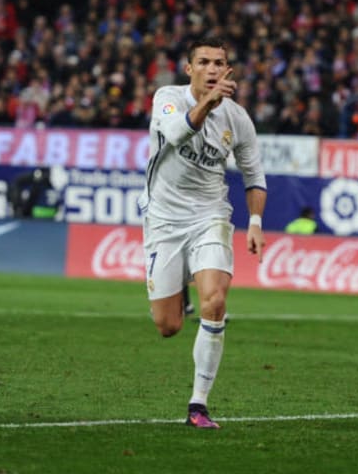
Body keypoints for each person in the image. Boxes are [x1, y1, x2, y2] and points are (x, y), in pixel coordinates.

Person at [138, 36, 267, 429]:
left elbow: (254, 175)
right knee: (168, 326)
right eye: (205, 62)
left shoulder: (238, 118)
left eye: (220, 63)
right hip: (162, 219)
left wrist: (256, 222)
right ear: (189, 68)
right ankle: (186, 278)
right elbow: (177, 134)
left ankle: (199, 405)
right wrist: (208, 103)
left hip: (210, 216)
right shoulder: (168, 98)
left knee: (214, 302)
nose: (213, 69)